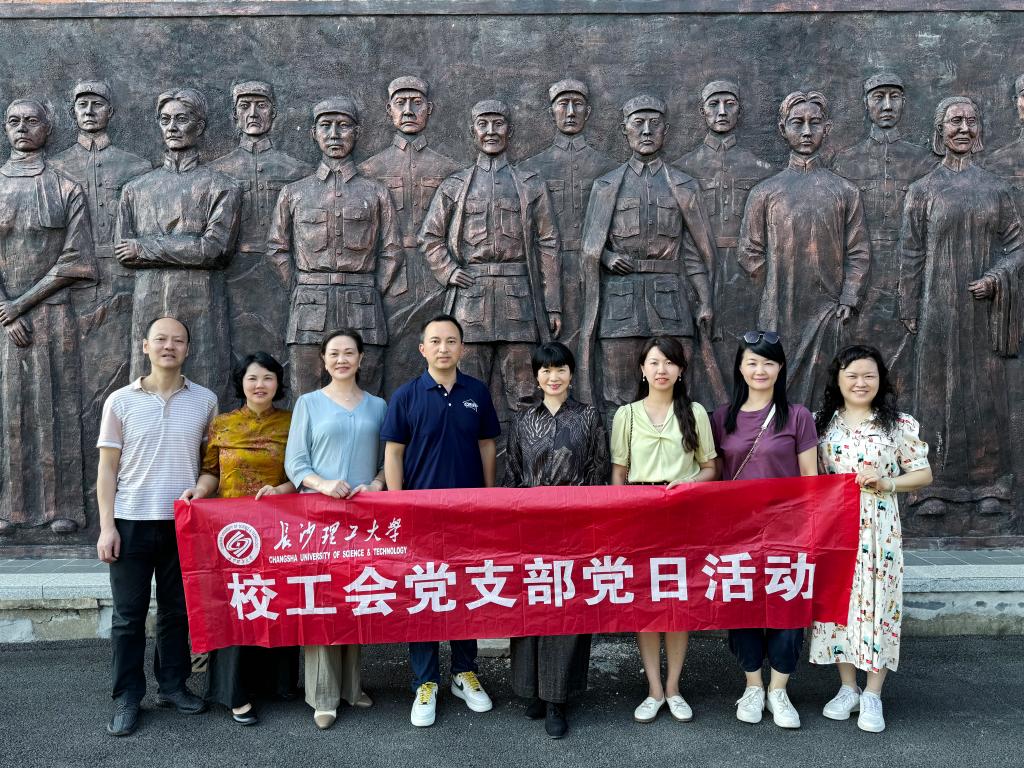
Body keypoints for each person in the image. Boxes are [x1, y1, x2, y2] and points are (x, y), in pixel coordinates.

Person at [898, 96, 1024, 518]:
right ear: (940, 131)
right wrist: (909, 307)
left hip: (983, 313)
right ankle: (930, 488)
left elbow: (1018, 247)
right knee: (936, 393)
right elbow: (911, 253)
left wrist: (996, 277)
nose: (964, 129)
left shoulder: (997, 190)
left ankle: (991, 486)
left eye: (971, 121)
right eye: (955, 121)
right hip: (937, 309)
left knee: (985, 392)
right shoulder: (922, 191)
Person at [96, 316, 219, 737]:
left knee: (177, 612)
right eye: (161, 339)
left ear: (187, 349)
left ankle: (172, 686)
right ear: (145, 345)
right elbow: (107, 469)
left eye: (178, 340)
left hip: (182, 524)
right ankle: (128, 696)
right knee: (128, 617)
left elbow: (211, 465)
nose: (170, 346)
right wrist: (107, 527)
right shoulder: (120, 401)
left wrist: (201, 489)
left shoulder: (205, 401)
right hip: (130, 521)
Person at [381, 314, 501, 728]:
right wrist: (397, 504)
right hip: (420, 515)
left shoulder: (476, 392)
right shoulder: (407, 395)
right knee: (424, 594)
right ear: (423, 349)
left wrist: (488, 497)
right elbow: (394, 452)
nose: (443, 348)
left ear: (462, 348)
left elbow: (487, 445)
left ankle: (464, 672)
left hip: (469, 513)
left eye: (451, 341)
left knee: (466, 591)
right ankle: (425, 681)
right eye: (435, 341)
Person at [809, 345, 932, 733]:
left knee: (879, 603)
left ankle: (873, 693)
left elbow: (923, 473)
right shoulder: (820, 424)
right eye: (852, 375)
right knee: (840, 604)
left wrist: (888, 482)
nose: (860, 383)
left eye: (869, 376)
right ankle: (848, 687)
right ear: (838, 380)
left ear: (880, 380)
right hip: (834, 526)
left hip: (879, 528)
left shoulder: (898, 424)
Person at [179, 352, 297, 726]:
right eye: (252, 378)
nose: (260, 385)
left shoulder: (293, 422)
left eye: (267, 378)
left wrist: (281, 489)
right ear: (241, 383)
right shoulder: (223, 424)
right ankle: (234, 693)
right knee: (236, 606)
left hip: (278, 528)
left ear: (278, 384)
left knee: (274, 602)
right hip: (233, 533)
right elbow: (211, 472)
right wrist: (199, 492)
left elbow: (301, 473)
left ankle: (276, 685)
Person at [709, 331, 818, 729]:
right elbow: (713, 474)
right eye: (752, 362)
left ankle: (779, 689)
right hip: (737, 532)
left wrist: (810, 530)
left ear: (780, 368)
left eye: (768, 362)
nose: (760, 370)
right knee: (743, 608)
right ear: (740, 367)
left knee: (788, 608)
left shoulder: (798, 416)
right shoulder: (722, 418)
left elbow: (810, 478)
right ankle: (753, 685)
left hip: (787, 532)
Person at [503, 341, 609, 739]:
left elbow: (598, 469)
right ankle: (531, 690)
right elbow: (513, 473)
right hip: (530, 527)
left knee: (566, 610)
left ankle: (557, 698)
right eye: (546, 370)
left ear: (571, 373)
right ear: (536, 376)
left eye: (560, 369)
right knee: (529, 606)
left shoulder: (588, 417)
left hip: (574, 527)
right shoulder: (522, 420)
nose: (553, 376)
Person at [609, 336, 717, 723]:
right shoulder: (627, 415)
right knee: (647, 605)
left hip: (682, 517)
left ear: (680, 370)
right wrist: (622, 515)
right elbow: (619, 472)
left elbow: (711, 467)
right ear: (642, 369)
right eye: (654, 362)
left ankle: (674, 687)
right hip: (640, 519)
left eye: (669, 363)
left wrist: (687, 485)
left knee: (678, 604)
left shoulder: (695, 413)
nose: (661, 370)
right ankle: (654, 688)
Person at [284, 329, 387, 730]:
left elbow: (388, 458)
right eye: (334, 353)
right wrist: (323, 484)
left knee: (356, 597)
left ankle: (351, 686)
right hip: (318, 519)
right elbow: (296, 462)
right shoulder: (309, 404)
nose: (341, 359)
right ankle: (323, 696)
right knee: (323, 603)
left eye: (349, 352)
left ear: (361, 358)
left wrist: (377, 483)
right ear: (323, 360)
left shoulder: (378, 406)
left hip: (363, 520)